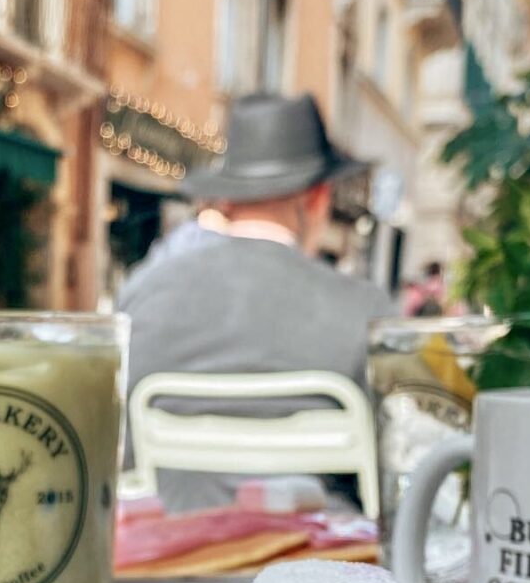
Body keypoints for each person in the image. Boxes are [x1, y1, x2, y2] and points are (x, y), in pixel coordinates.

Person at [118, 92, 386, 512]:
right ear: (317, 199)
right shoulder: (369, 312)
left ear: (227, 199)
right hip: (319, 565)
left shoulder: (142, 294)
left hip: (169, 555)